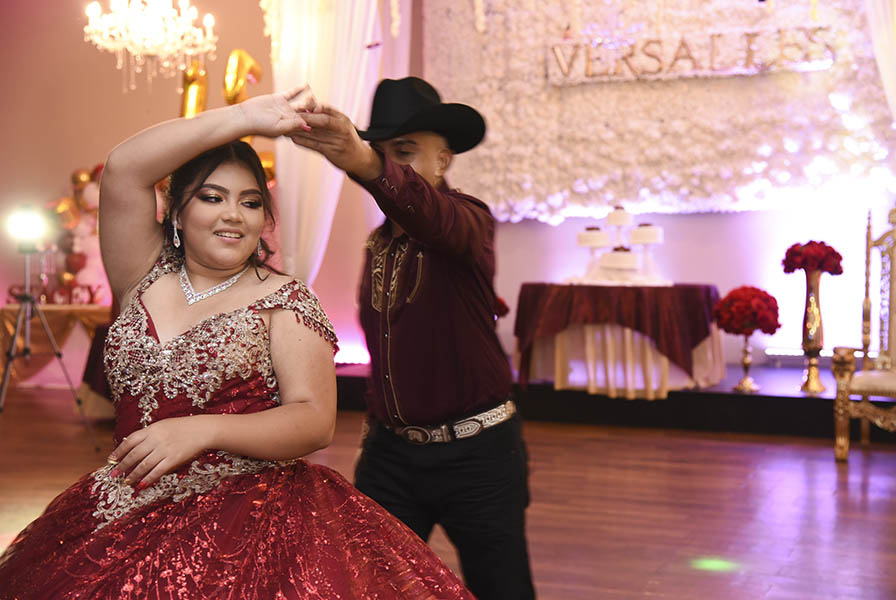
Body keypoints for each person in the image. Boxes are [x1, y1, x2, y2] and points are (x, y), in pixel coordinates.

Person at [0, 87, 474, 599]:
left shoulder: (284, 299)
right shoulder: (141, 273)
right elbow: (123, 168)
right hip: (123, 510)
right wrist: (246, 117)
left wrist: (201, 430)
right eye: (212, 197)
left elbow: (314, 420)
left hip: (249, 519)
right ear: (176, 212)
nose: (234, 215)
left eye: (250, 202)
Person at [291, 77, 536, 599]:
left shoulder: (468, 221)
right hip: (392, 457)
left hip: (480, 456)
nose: (391, 165)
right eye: (382, 153)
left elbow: (430, 213)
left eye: (403, 153)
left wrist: (364, 162)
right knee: (369, 587)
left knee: (502, 588)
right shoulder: (379, 245)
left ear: (443, 162)